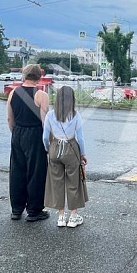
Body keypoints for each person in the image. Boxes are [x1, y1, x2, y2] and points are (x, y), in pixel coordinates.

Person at [7, 64, 50, 222]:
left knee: (17, 170)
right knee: (36, 172)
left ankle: (16, 209)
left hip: (18, 132)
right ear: (39, 77)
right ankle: (34, 210)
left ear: (24, 76)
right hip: (35, 134)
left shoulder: (13, 93)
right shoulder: (41, 95)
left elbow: (9, 117)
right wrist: (48, 143)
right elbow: (45, 122)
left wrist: (15, 133)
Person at [43, 86, 88, 228]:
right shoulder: (75, 115)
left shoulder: (50, 114)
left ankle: (61, 217)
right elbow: (80, 138)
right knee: (74, 183)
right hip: (71, 148)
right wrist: (83, 154)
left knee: (56, 182)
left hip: (55, 148)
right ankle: (73, 217)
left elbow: (45, 136)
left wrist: (49, 149)